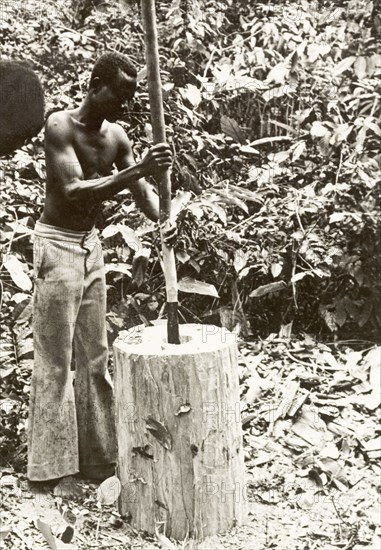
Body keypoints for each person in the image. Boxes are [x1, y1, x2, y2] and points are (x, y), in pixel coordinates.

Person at [27, 52, 174, 490]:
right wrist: (138, 171)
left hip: (91, 248)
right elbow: (72, 191)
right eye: (120, 94)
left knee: (95, 358)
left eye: (131, 96)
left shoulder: (118, 137)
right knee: (55, 362)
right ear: (95, 86)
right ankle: (50, 470)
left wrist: (165, 216)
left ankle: (97, 460)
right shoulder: (59, 126)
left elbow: (146, 196)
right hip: (56, 246)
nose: (125, 105)